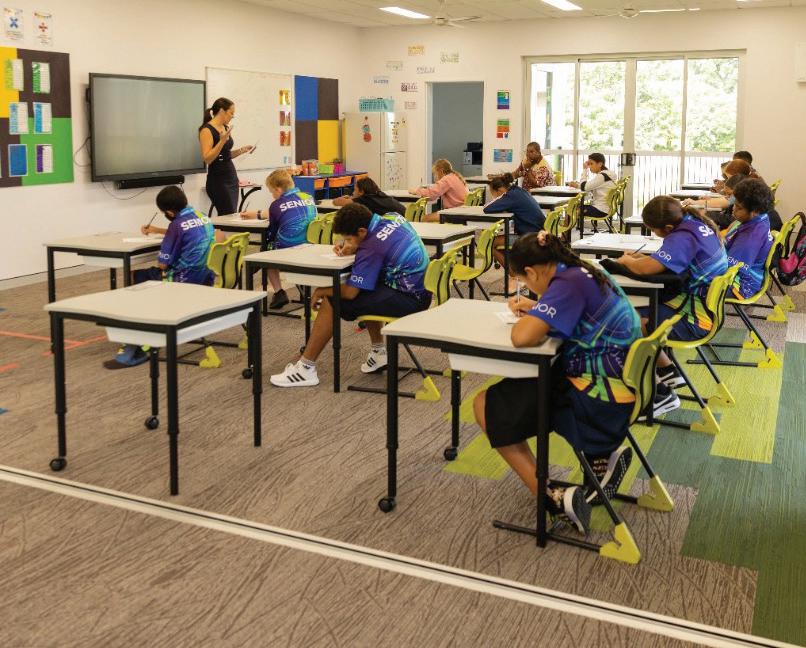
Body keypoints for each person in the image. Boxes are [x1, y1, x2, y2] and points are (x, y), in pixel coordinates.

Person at [473, 231, 641, 534]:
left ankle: (552, 498)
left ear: (532, 272)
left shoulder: (566, 285)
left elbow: (521, 337)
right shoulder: (581, 270)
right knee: (522, 388)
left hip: (597, 398)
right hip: (620, 383)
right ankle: (601, 459)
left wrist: (535, 314)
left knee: (485, 404)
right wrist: (539, 308)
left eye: (524, 280)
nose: (528, 287)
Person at [269, 203, 431, 387]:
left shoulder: (371, 247)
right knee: (368, 287)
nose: (345, 242)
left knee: (332, 300)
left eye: (348, 238)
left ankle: (305, 368)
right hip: (421, 290)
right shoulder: (392, 217)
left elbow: (350, 292)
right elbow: (379, 246)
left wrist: (321, 290)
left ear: (361, 231)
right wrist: (354, 245)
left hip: (408, 299)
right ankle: (378, 353)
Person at [616, 197, 728, 416]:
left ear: (667, 227)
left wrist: (629, 261)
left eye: (653, 230)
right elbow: (661, 263)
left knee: (624, 323)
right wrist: (645, 259)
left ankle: (659, 394)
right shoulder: (694, 224)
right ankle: (667, 369)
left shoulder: (682, 237)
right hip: (701, 308)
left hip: (693, 319)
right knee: (630, 310)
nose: (654, 234)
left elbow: (645, 270)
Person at [105, 186, 217, 369]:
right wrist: (158, 230)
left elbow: (162, 264)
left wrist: (167, 243)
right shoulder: (202, 216)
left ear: (169, 212)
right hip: (204, 277)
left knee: (134, 276)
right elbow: (183, 231)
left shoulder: (176, 225)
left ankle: (136, 342)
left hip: (181, 280)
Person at [240, 169, 317, 309]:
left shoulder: (276, 205)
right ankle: (260, 265)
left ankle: (278, 291)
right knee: (269, 247)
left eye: (271, 192)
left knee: (267, 250)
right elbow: (286, 212)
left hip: (289, 251)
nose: (272, 195)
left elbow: (272, 232)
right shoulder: (308, 197)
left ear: (278, 189)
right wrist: (258, 214)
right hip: (310, 246)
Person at [483, 172, 544, 292]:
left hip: (529, 237)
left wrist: (499, 199)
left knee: (489, 243)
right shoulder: (518, 191)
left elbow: (487, 208)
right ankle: (518, 272)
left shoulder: (510, 196)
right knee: (500, 241)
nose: (494, 198)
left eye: (494, 195)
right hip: (538, 233)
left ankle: (517, 277)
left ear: (500, 190)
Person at [198, 97, 255, 216]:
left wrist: (241, 150)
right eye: (231, 113)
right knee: (227, 215)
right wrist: (222, 141)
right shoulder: (206, 130)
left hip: (231, 176)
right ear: (221, 111)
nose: (233, 116)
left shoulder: (226, 127)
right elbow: (208, 158)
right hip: (218, 180)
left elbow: (225, 155)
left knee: (232, 215)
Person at [723, 178, 775, 299]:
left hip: (740, 285)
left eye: (739, 207)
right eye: (734, 204)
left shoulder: (750, 238)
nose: (733, 209)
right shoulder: (761, 218)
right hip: (745, 276)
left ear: (754, 211)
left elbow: (728, 270)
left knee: (688, 279)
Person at [567, 153, 617, 221]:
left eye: (591, 164)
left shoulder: (601, 176)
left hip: (600, 209)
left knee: (571, 209)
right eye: (588, 164)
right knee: (573, 207)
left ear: (600, 164)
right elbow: (588, 186)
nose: (589, 166)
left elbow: (584, 187)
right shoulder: (608, 174)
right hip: (607, 208)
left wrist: (585, 169)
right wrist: (578, 185)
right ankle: (568, 227)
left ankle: (566, 227)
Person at [333, 176, 406, 217]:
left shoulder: (365, 199)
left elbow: (336, 202)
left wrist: (344, 198)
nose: (353, 193)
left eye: (355, 190)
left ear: (361, 192)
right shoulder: (379, 194)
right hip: (404, 219)